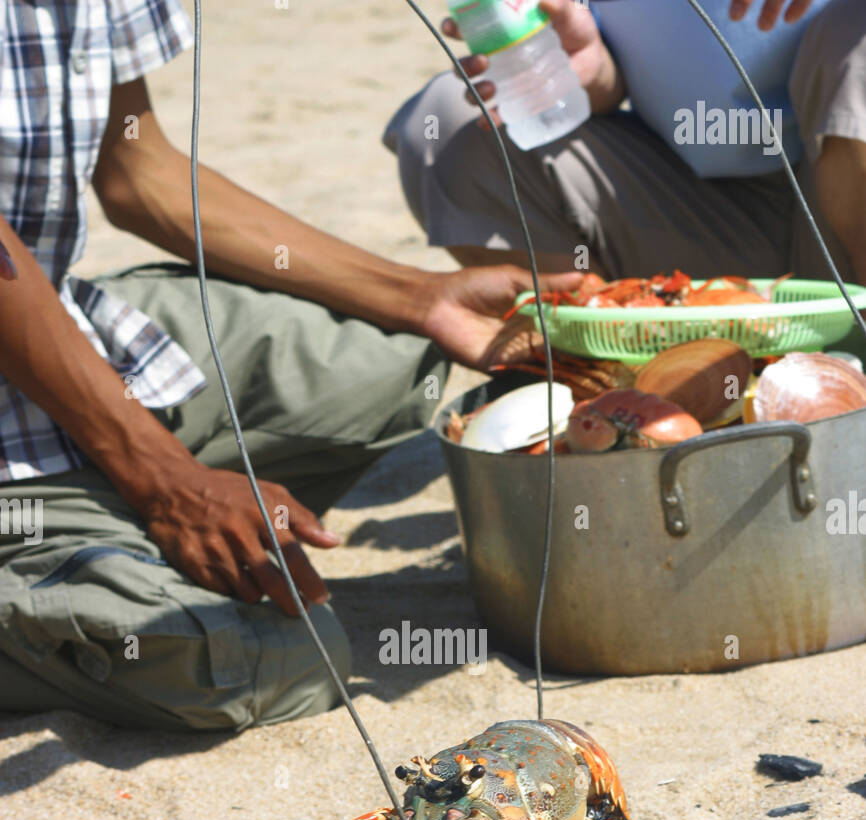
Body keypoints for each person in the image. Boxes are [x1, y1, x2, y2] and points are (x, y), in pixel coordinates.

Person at [0, 0, 579, 732]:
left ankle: (101, 539)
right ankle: (85, 544)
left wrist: (420, 298)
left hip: (47, 328)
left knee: (397, 361)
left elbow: (137, 167)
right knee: (278, 661)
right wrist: (168, 485)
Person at [385, 0, 866, 287]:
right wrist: (589, 72)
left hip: (839, 209)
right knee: (450, 125)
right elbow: (620, 74)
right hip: (704, 216)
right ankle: (628, 391)